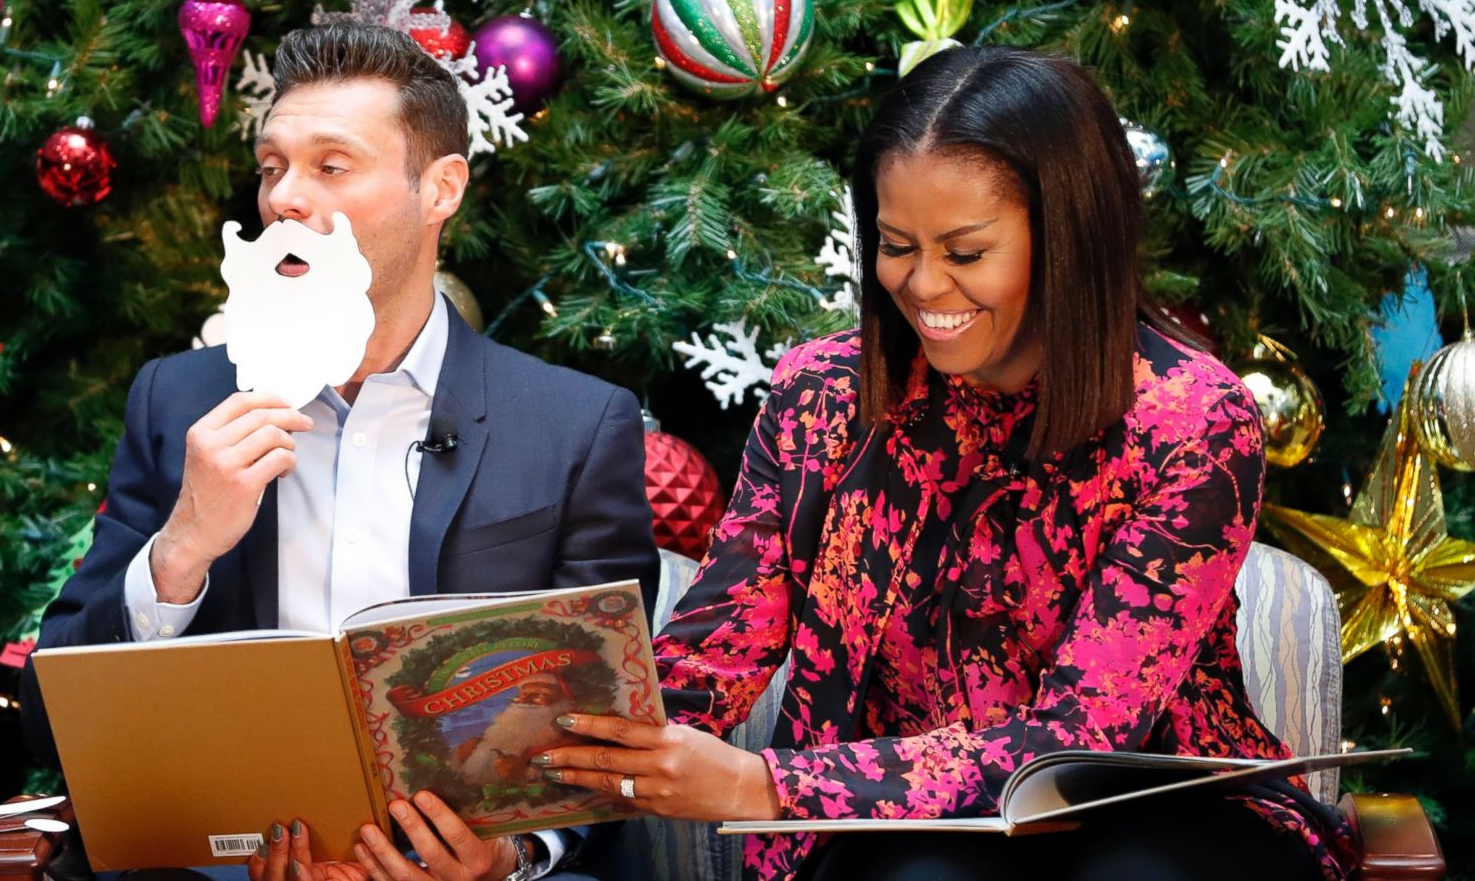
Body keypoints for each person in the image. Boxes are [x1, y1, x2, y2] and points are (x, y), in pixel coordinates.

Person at [534, 47, 1355, 881]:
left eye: (965, 253)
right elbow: (716, 652)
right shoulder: (822, 396)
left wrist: (765, 785)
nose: (923, 286)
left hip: (1157, 805)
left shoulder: (1192, 420)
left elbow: (1075, 748)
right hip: (890, 822)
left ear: (1070, 238)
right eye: (897, 244)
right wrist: (525, 796)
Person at [18, 20, 660, 881]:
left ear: (441, 189)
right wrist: (178, 551)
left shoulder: (576, 425)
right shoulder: (179, 401)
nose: (285, 198)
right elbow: (47, 719)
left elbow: (614, 733)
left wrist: (507, 857)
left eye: (331, 166)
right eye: (273, 167)